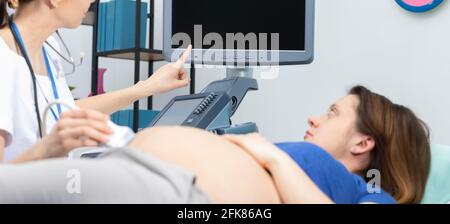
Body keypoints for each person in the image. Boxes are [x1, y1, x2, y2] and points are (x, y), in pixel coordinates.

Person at [0, 85, 431, 204]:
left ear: (364, 142)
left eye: (333, 112)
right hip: (131, 173)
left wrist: (273, 160)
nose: (315, 117)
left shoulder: (367, 193)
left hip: (170, 191)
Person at [0, 0, 192, 163]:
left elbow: (68, 112)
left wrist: (147, 87)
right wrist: (48, 148)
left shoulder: (48, 48)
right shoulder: (4, 60)